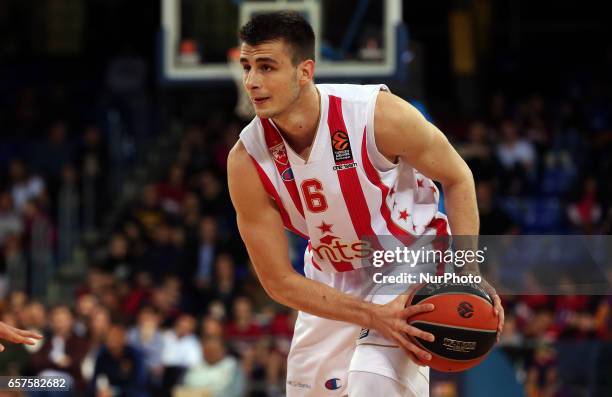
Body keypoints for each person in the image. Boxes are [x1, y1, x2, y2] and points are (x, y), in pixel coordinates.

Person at [227, 11, 504, 397]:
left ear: (304, 71)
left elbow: (458, 176)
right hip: (331, 272)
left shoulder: (375, 115)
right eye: (247, 67)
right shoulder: (246, 160)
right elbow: (277, 280)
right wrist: (371, 314)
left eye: (267, 67)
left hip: (408, 257)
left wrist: (468, 269)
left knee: (373, 384)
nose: (252, 82)